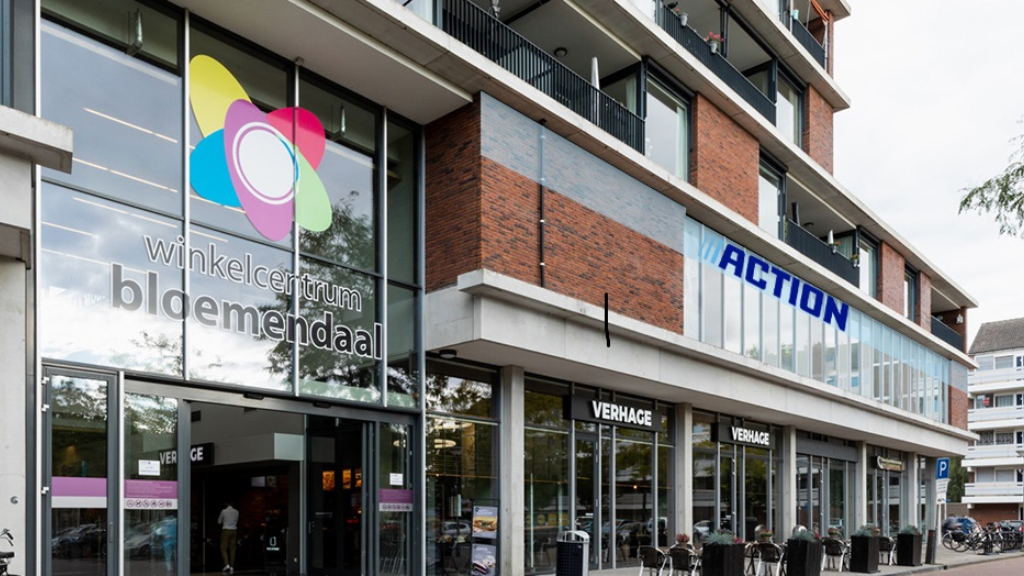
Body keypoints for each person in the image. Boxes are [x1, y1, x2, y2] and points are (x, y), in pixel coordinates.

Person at [218, 501, 240, 573]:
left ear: (226, 504)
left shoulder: (224, 511)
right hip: (234, 530)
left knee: (223, 548)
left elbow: (219, 521)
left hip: (226, 530)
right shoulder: (236, 512)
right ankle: (232, 565)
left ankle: (226, 563)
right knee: (232, 549)